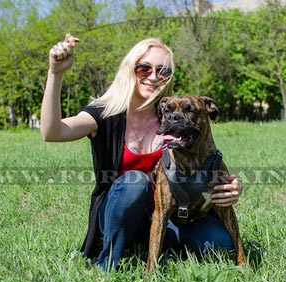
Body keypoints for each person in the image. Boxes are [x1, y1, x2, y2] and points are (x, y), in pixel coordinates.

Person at [41, 34, 244, 270]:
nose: (154, 76)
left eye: (163, 71)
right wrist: (55, 74)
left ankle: (162, 250)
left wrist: (231, 186)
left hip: (168, 216)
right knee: (135, 182)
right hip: (119, 213)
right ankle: (108, 265)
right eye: (144, 68)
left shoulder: (169, 114)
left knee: (219, 244)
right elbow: (52, 132)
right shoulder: (105, 114)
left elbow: (202, 158)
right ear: (130, 68)